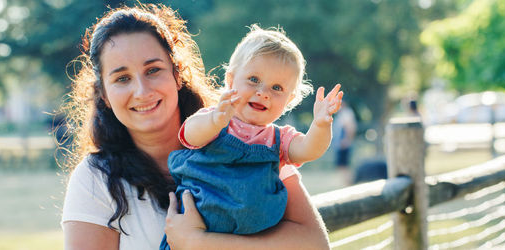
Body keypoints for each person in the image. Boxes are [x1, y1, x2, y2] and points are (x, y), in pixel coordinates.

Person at [59, 4, 330, 249]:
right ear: (104, 94)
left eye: (153, 70)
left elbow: (315, 243)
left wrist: (201, 242)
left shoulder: (246, 137)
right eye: (122, 78)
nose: (141, 91)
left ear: (177, 75)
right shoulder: (95, 181)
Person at [161, 26, 342, 249]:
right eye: (254, 79)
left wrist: (321, 125)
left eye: (277, 87)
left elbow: (308, 149)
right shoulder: (215, 119)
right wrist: (216, 121)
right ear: (230, 80)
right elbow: (190, 135)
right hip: (200, 225)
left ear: (289, 99)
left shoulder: (279, 139)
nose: (263, 92)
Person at [331, 100, 356, 185]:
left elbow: (349, 127)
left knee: (344, 165)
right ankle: (346, 182)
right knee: (342, 165)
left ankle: (348, 183)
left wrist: (346, 140)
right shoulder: (343, 113)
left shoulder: (346, 113)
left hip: (343, 143)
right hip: (341, 143)